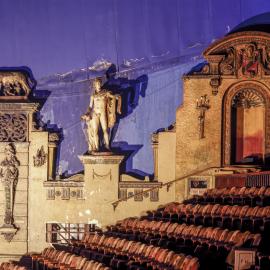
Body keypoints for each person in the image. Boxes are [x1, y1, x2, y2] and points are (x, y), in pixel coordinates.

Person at [81, 77, 121, 153]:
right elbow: (90, 106)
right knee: (95, 131)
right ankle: (96, 148)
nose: (98, 85)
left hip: (103, 113)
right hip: (95, 113)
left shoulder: (105, 93)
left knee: (105, 130)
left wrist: (116, 96)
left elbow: (112, 97)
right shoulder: (93, 96)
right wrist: (87, 113)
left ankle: (107, 146)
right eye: (97, 84)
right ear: (95, 85)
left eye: (99, 83)